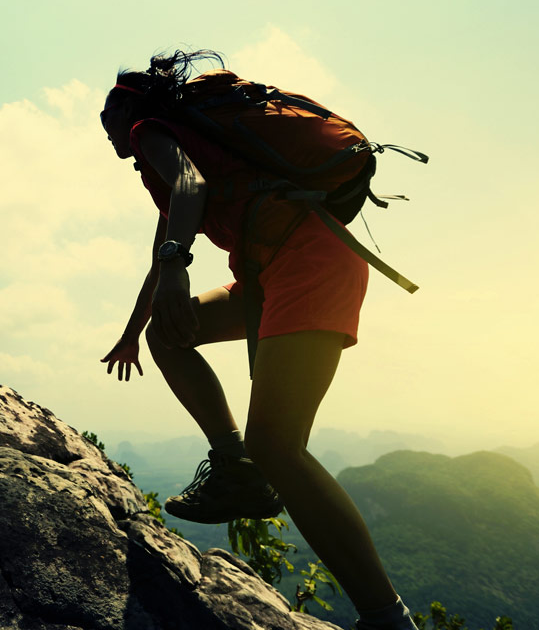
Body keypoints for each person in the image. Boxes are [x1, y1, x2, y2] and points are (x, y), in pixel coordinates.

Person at [99, 49, 416, 630]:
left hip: (307, 265)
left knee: (279, 445)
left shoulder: (154, 131)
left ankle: (388, 619)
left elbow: (189, 195)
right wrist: (131, 334)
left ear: (131, 112)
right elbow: (164, 242)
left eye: (109, 114)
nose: (106, 128)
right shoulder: (179, 151)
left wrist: (178, 268)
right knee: (169, 339)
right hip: (269, 273)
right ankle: (234, 465)